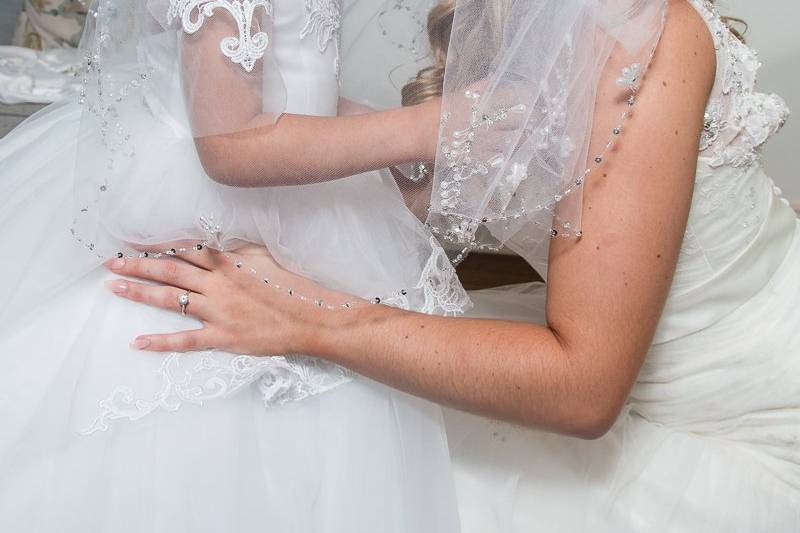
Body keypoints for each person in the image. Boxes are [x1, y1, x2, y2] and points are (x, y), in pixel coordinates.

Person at [113, 0, 799, 530]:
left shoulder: (632, 36)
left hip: (738, 423)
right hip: (615, 365)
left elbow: (585, 390)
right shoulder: (512, 21)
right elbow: (439, 172)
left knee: (366, 478)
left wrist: (305, 316)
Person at [0, 0, 468, 531]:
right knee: (206, 447)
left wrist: (392, 138)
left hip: (296, 202)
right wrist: (431, 127)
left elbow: (296, 80)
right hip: (215, 210)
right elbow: (230, 144)